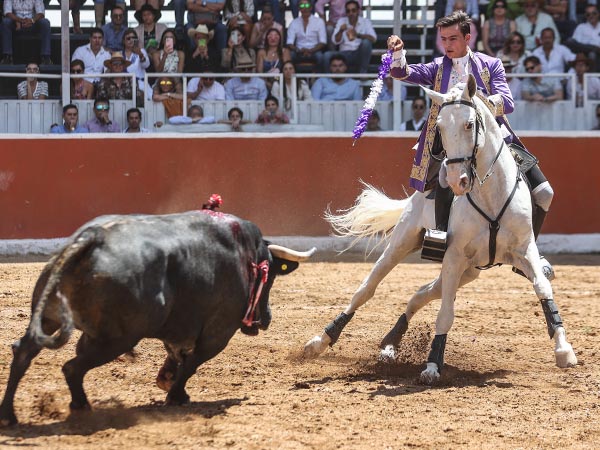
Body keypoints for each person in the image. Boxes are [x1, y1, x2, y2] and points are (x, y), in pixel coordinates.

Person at [387, 11, 556, 273]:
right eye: (443, 39)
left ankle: (529, 253)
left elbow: (507, 102)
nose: (447, 44)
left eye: (453, 38)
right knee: (445, 176)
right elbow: (401, 72)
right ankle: (440, 235)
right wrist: (397, 53)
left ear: (468, 38)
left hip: (493, 140)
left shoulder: (490, 64)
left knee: (545, 193)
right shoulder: (437, 68)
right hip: (453, 143)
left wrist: (481, 104)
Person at [326, 0, 376, 73]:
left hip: (358, 53)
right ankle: (329, 80)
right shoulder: (341, 21)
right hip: (343, 53)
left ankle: (363, 72)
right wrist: (340, 31)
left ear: (358, 11)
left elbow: (373, 38)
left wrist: (358, 35)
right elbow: (335, 41)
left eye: (353, 10)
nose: (351, 13)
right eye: (348, 11)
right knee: (326, 55)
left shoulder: (365, 22)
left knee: (366, 43)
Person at [1, 0, 52, 65]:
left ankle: (46, 57)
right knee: (6, 22)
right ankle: (7, 57)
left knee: (45, 23)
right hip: (16, 24)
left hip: (32, 23)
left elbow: (41, 13)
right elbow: (7, 13)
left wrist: (32, 20)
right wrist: (19, 20)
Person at [286, 0, 327, 72]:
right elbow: (289, 42)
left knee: (320, 57)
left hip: (315, 50)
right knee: (290, 55)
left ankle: (318, 79)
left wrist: (311, 50)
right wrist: (297, 50)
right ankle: (293, 80)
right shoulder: (294, 22)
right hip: (298, 51)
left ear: (311, 7)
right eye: (302, 6)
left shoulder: (319, 21)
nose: (305, 8)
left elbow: (322, 42)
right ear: (299, 8)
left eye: (307, 6)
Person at [565, 4, 600, 71]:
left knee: (593, 54)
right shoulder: (581, 27)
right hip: (584, 55)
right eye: (588, 14)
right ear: (585, 16)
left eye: (594, 13)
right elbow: (575, 45)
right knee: (570, 42)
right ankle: (594, 49)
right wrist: (593, 48)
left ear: (599, 14)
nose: (591, 16)